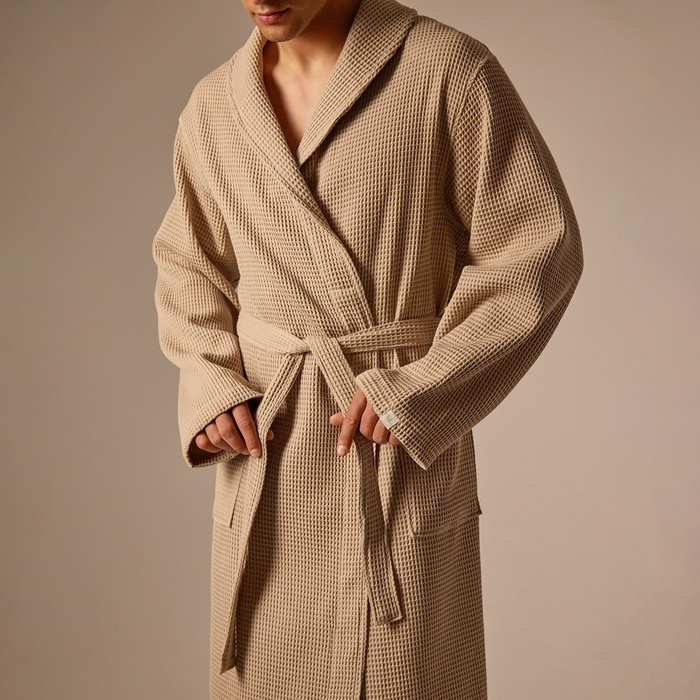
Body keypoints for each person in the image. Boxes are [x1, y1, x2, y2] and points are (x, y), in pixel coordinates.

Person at [151, 0, 584, 698]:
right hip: (271, 448)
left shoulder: (448, 70)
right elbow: (188, 264)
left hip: (388, 443)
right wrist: (211, 384)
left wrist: (422, 389)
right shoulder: (215, 105)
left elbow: (536, 251)